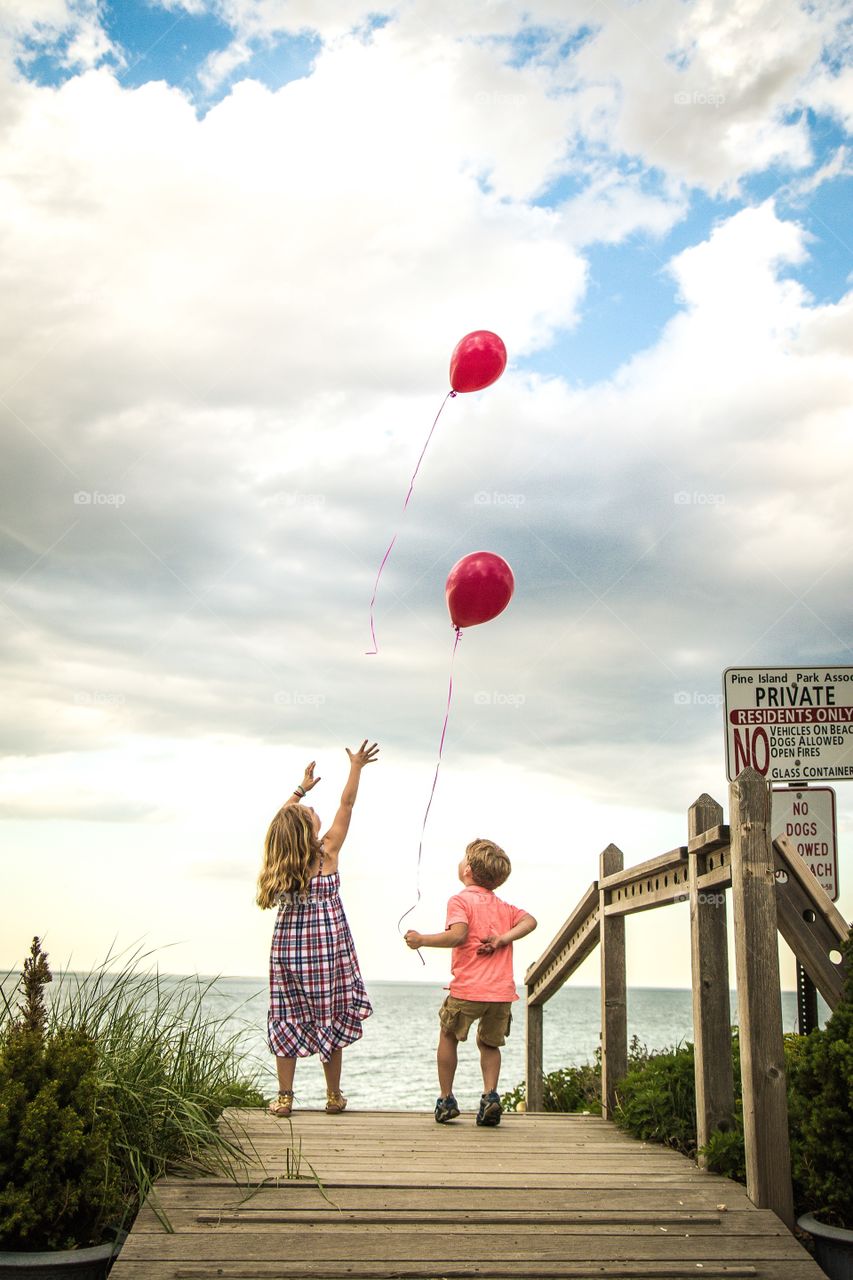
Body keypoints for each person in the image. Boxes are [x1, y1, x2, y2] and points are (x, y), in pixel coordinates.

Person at [257, 740, 379, 1117]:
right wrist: (356, 767)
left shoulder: (283, 863)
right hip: (326, 953)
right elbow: (347, 805)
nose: (313, 808)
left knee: (286, 1015)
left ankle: (284, 1097)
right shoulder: (326, 853)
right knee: (331, 1014)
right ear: (307, 831)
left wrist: (299, 791)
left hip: (288, 954)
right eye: (310, 811)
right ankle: (333, 1095)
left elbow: (281, 825)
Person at [405, 838, 537, 1126]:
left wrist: (422, 940)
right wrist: (503, 938)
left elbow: (458, 935)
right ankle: (490, 1096)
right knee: (489, 1044)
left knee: (448, 1036)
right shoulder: (504, 907)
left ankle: (446, 1099)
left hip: (468, 989)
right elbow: (530, 921)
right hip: (501, 994)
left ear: (467, 870)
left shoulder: (460, 900)